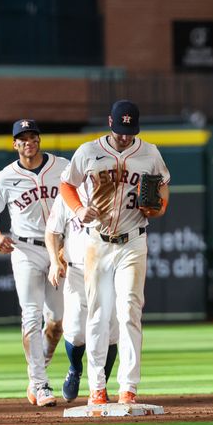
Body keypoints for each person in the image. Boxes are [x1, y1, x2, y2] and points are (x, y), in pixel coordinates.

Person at [59, 100, 170, 406]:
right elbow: (67, 185)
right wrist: (79, 209)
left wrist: (156, 208)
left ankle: (129, 388)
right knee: (97, 314)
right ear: (110, 122)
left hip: (133, 241)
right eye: (121, 130)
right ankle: (96, 387)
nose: (125, 136)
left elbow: (162, 193)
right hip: (98, 242)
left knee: (129, 312)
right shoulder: (87, 151)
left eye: (130, 130)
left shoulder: (149, 153)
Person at [0, 119, 69, 407]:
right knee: (31, 315)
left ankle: (37, 372)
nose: (28, 142)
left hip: (58, 249)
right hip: (25, 249)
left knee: (57, 323)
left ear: (39, 140)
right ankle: (40, 383)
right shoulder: (4, 177)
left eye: (33, 136)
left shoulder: (62, 167)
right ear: (14, 144)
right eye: (23, 138)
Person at [45, 194, 119, 403]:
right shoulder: (68, 196)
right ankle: (75, 368)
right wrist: (54, 261)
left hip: (108, 270)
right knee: (76, 330)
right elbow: (51, 232)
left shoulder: (116, 191)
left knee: (111, 331)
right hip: (77, 270)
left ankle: (100, 387)